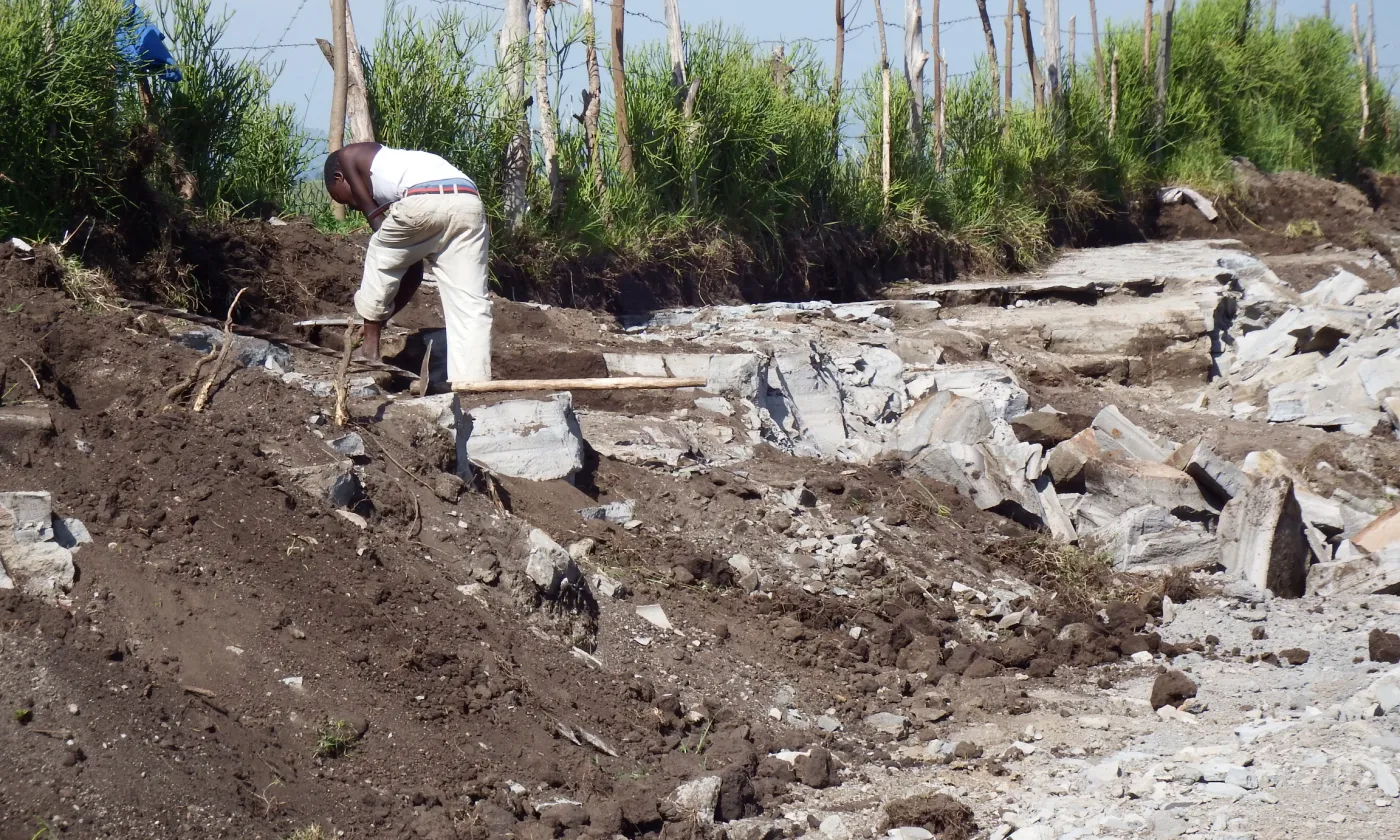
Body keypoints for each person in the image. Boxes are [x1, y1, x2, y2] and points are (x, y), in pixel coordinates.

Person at [323, 143, 492, 384]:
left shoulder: (348, 156)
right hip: (468, 201)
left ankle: (370, 350)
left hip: (426, 198)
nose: (353, 206)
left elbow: (378, 228)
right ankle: (473, 383)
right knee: (470, 302)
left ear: (340, 177)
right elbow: (413, 275)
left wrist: (371, 323)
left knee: (379, 253)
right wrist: (376, 321)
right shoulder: (404, 166)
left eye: (344, 200)